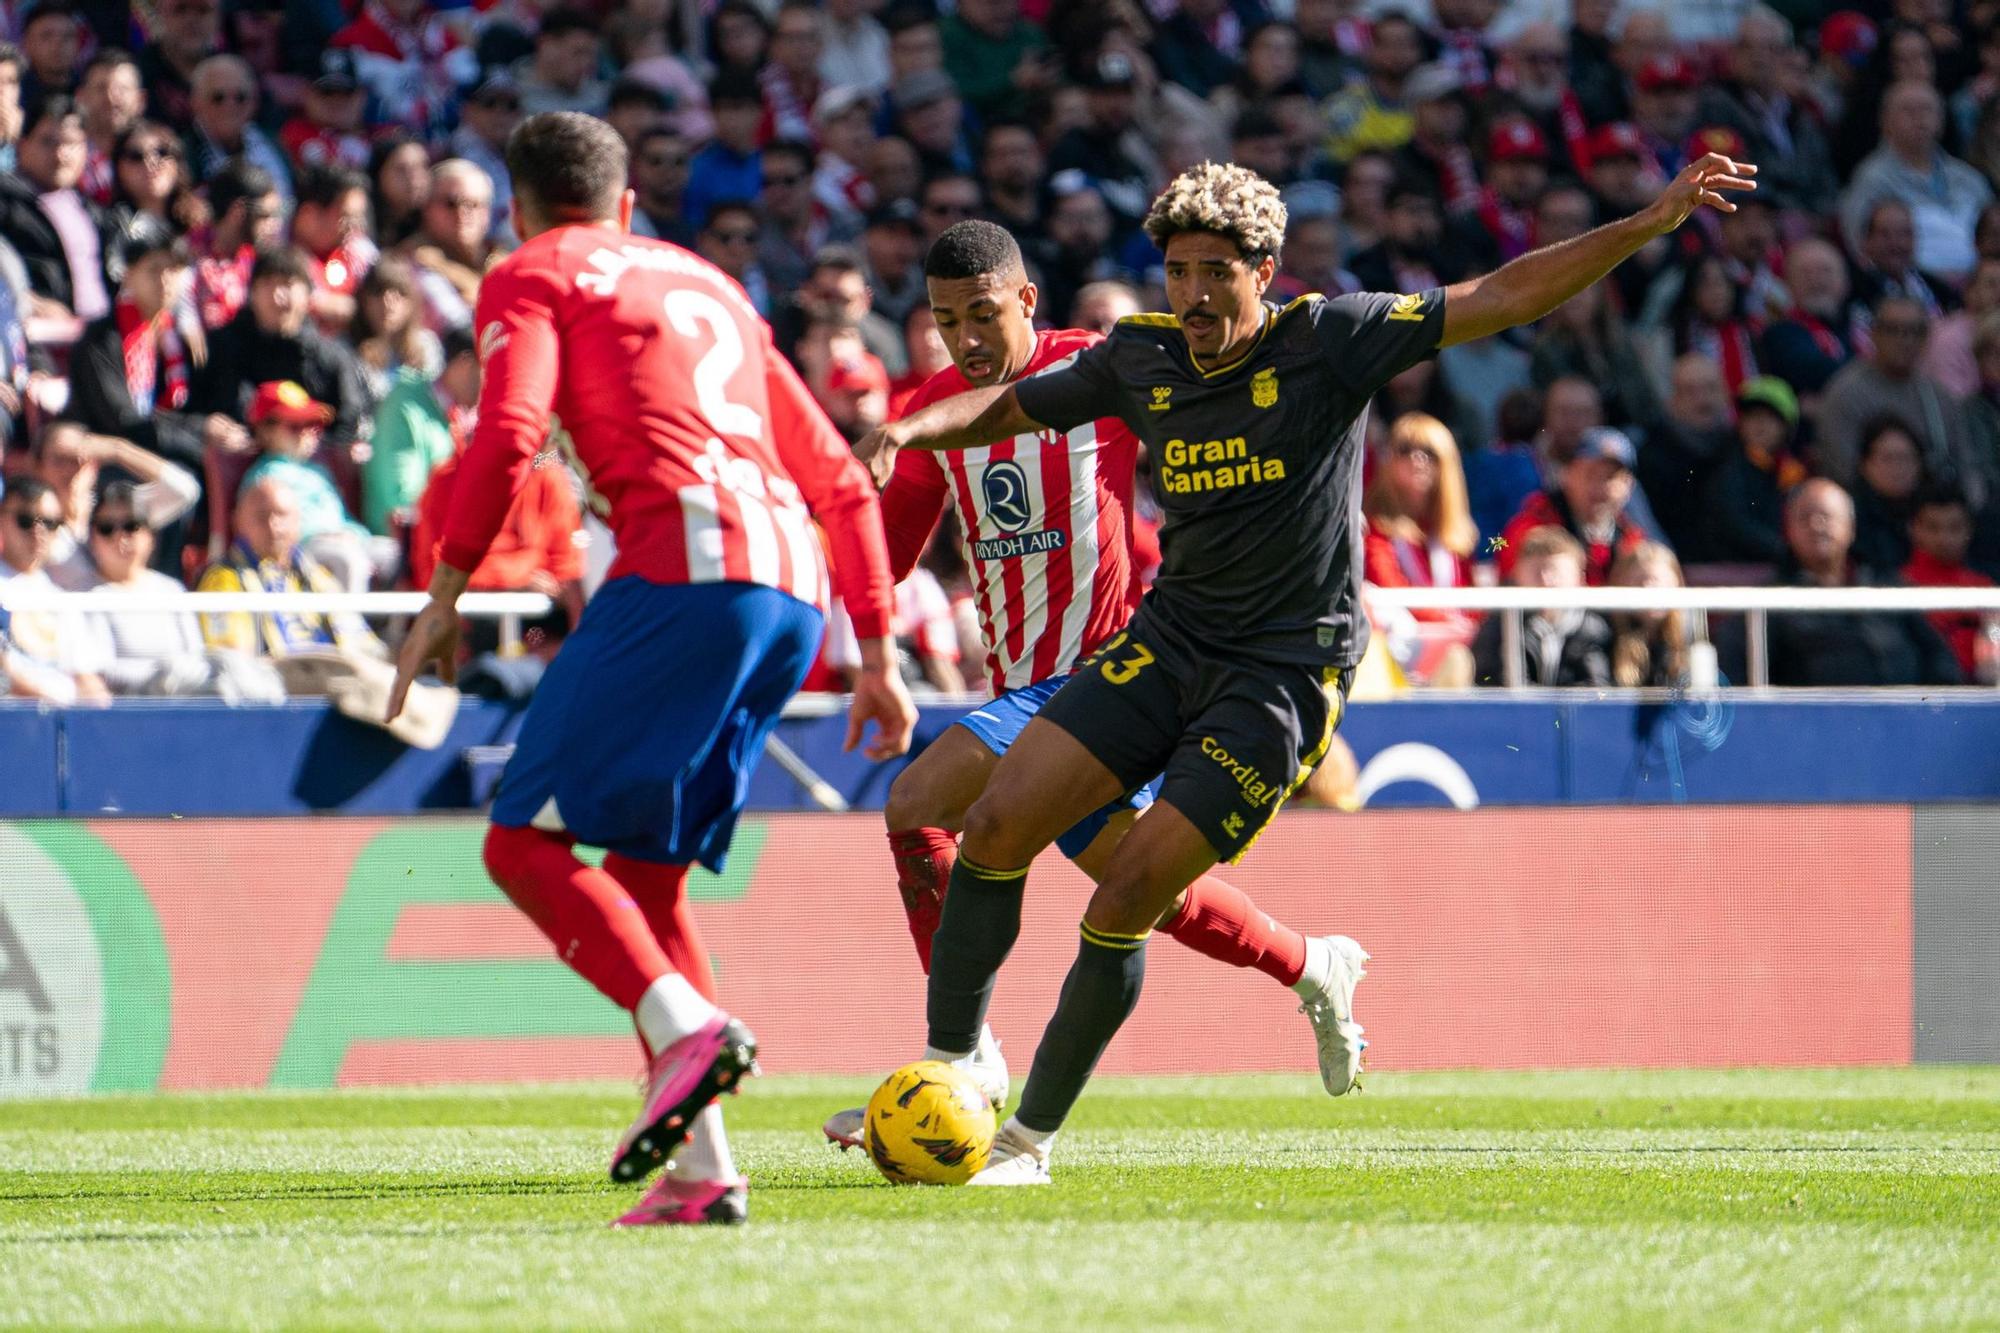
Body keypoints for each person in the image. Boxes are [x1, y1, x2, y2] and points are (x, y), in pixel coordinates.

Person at [857, 151, 1754, 1182]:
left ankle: (1025, 1143)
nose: (1191, 296)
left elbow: (1501, 295)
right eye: (1177, 272)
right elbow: (1012, 407)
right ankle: (956, 1067)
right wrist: (905, 429)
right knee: (998, 821)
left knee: (1124, 897)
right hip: (1166, 643)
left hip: (1278, 677)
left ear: (1266, 270)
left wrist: (1644, 223)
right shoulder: (1140, 356)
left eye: (1214, 274)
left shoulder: (1332, 339)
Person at [386, 113, 914, 1228]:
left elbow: (510, 427)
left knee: (517, 839)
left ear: (521, 207)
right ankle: (704, 1171)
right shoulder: (708, 281)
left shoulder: (531, 272)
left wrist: (444, 594)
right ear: (627, 204)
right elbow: (840, 476)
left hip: (687, 572)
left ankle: (688, 1031)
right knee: (646, 879)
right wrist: (875, 653)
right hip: (792, 593)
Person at [821, 219, 1366, 1150]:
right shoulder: (936, 409)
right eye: (949, 321)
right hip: (1024, 689)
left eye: (985, 314)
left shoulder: (1100, 372)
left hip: (1113, 674)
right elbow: (889, 554)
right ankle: (1313, 963)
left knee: (919, 801)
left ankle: (964, 1059)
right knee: (1133, 879)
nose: (969, 339)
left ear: (1026, 301)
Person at [1738, 478, 1962, 686]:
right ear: (1789, 530)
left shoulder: (1886, 585)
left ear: (1851, 528)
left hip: (1903, 717)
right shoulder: (1771, 601)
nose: (1816, 525)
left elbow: (1938, 656)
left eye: (1826, 516)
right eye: (1805, 516)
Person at [74, 481, 280, 698]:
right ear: (92, 538)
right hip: (134, 703)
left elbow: (195, 652)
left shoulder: (171, 590)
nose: (120, 537)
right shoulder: (86, 596)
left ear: (150, 535)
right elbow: (102, 670)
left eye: (131, 525)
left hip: (187, 693)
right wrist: (165, 671)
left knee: (243, 676)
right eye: (106, 528)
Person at [195, 474, 381, 660]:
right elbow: (231, 659)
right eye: (261, 516)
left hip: (334, 676)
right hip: (273, 680)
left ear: (298, 521)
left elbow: (362, 643)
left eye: (282, 515)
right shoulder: (223, 579)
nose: (273, 525)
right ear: (237, 522)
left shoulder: (316, 575)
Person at [1361, 410, 1477, 685]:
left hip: (1453, 645)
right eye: (1405, 449)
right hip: (1397, 652)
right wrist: (1448, 621)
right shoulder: (1375, 529)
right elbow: (1389, 587)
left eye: (1429, 452)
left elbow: (1471, 601)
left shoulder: (1455, 537)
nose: (1417, 459)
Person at [31, 418, 201, 585]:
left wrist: (120, 450)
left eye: (78, 459)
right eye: (59, 460)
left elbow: (186, 490)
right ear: (38, 467)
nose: (69, 469)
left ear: (94, 464)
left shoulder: (116, 513)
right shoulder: (28, 520)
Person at [0, 475, 109, 702]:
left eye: (50, 523)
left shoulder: (61, 596)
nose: (38, 532)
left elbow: (85, 677)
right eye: (26, 520)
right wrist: (48, 701)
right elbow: (6, 675)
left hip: (62, 721)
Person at [1497, 426, 1650, 586]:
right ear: (1567, 475)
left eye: (1610, 477)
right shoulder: (1528, 530)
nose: (1599, 487)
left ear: (1629, 486)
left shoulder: (1632, 539)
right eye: (1591, 474)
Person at [1471, 524, 1613, 687]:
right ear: (1517, 577)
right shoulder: (1501, 625)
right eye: (1536, 571)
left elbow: (1596, 689)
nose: (1546, 581)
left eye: (1556, 572)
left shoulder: (1593, 629)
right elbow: (1493, 682)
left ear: (1579, 578)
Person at [366, 323, 473, 536]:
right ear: (465, 365)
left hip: (447, 532)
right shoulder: (405, 407)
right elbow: (402, 497)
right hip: (405, 541)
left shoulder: (463, 413)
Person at [1702, 376, 1809, 564]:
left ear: (1787, 426)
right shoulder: (1726, 466)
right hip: (1738, 570)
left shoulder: (1795, 471)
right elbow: (1735, 524)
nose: (1760, 425)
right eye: (1752, 416)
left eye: (1770, 418)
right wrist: (1787, 551)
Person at [1903, 487, 1994, 680]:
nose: (1944, 539)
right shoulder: (1898, 586)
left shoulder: (1986, 588)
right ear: (1914, 529)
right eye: (1933, 527)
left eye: (1954, 528)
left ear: (1969, 530)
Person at [1606, 541, 1688, 687]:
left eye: (1657, 582)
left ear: (1676, 583)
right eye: (1640, 582)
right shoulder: (1604, 635)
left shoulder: (1692, 636)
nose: (1649, 590)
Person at [1850, 417, 1927, 571]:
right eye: (1888, 459)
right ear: (1865, 464)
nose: (1897, 468)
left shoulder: (1934, 510)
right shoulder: (1850, 517)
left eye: (1905, 458)